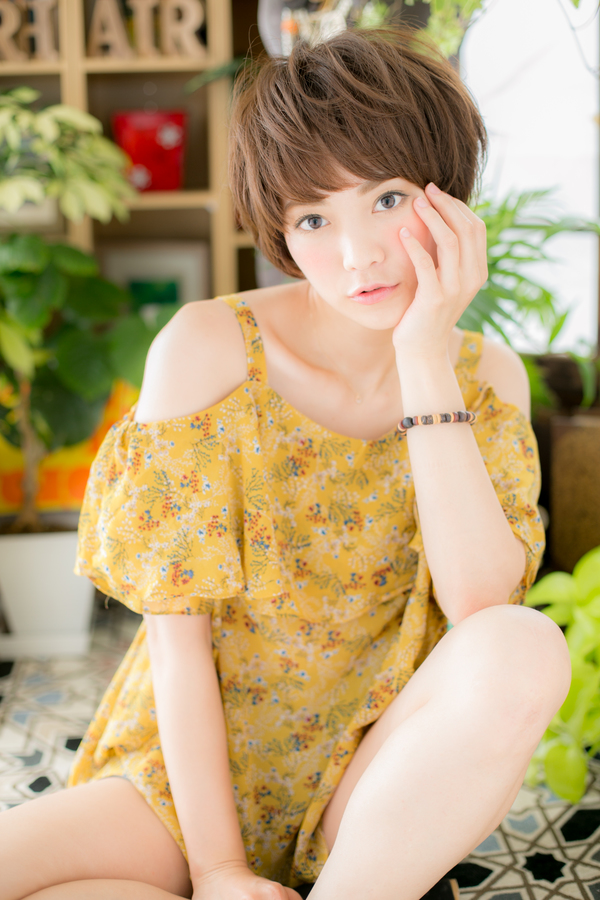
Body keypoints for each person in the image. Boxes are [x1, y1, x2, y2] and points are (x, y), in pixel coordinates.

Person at [1, 27, 571, 900]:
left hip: (373, 792)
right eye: (313, 218)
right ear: (280, 229)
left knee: (523, 643)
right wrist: (220, 869)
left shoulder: (484, 378)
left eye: (386, 199)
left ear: (448, 196)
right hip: (184, 794)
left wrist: (424, 356)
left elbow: (480, 609)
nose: (357, 255)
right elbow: (178, 645)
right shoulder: (209, 351)